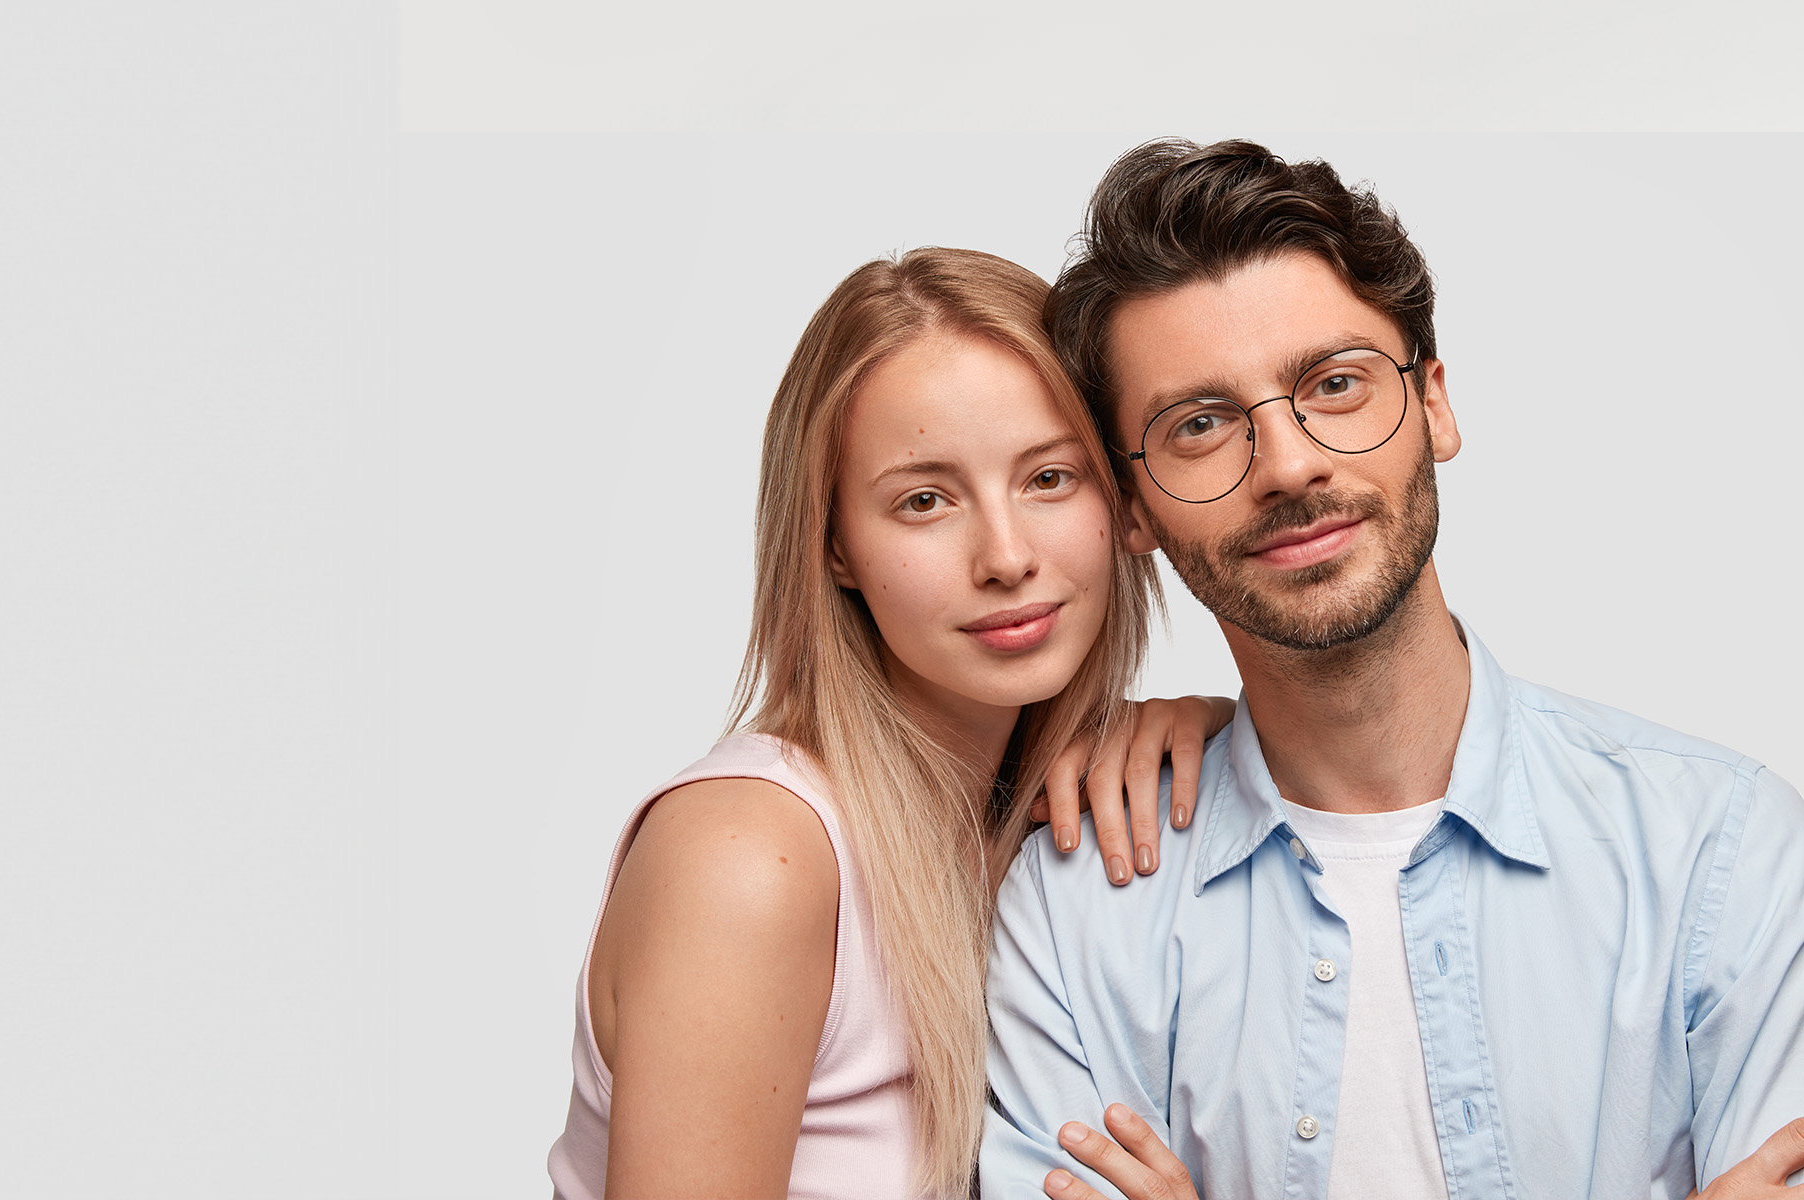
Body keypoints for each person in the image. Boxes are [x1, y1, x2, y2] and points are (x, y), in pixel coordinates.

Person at [981, 139, 1804, 1200]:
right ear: (1132, 506)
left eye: (1333, 384)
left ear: (1434, 404)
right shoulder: (1072, 906)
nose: (1286, 465)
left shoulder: (1721, 856)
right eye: (1197, 424)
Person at [544, 248, 1235, 1200]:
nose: (1005, 555)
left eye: (1049, 478)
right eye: (924, 501)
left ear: (1120, 500)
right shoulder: (751, 859)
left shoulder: (1039, 812)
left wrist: (1227, 735)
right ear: (834, 544)